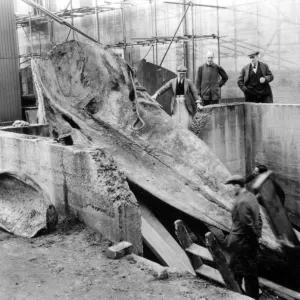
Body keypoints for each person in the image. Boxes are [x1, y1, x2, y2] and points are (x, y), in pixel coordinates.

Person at [225, 174, 262, 300]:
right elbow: (259, 219)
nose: (232, 189)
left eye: (233, 187)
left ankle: (236, 296)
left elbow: (247, 224)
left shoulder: (241, 202)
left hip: (242, 244)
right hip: (250, 244)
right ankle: (252, 297)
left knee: (235, 272)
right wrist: (257, 237)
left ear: (237, 185)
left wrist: (251, 240)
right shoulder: (251, 196)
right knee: (251, 274)